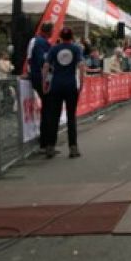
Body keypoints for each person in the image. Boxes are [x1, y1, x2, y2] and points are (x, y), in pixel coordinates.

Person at [42, 27, 86, 158]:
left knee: (54, 116)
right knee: (71, 116)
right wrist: (81, 82)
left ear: (60, 37)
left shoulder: (54, 49)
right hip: (70, 85)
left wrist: (44, 83)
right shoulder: (76, 49)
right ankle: (73, 148)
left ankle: (50, 146)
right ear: (71, 37)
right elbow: (81, 66)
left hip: (56, 85)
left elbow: (46, 66)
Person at [28, 21, 60, 157]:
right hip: (42, 79)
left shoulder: (36, 41)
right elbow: (44, 61)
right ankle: (47, 144)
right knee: (49, 111)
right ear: (49, 31)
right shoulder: (41, 43)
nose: (53, 33)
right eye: (52, 30)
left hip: (38, 77)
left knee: (47, 109)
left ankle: (45, 143)